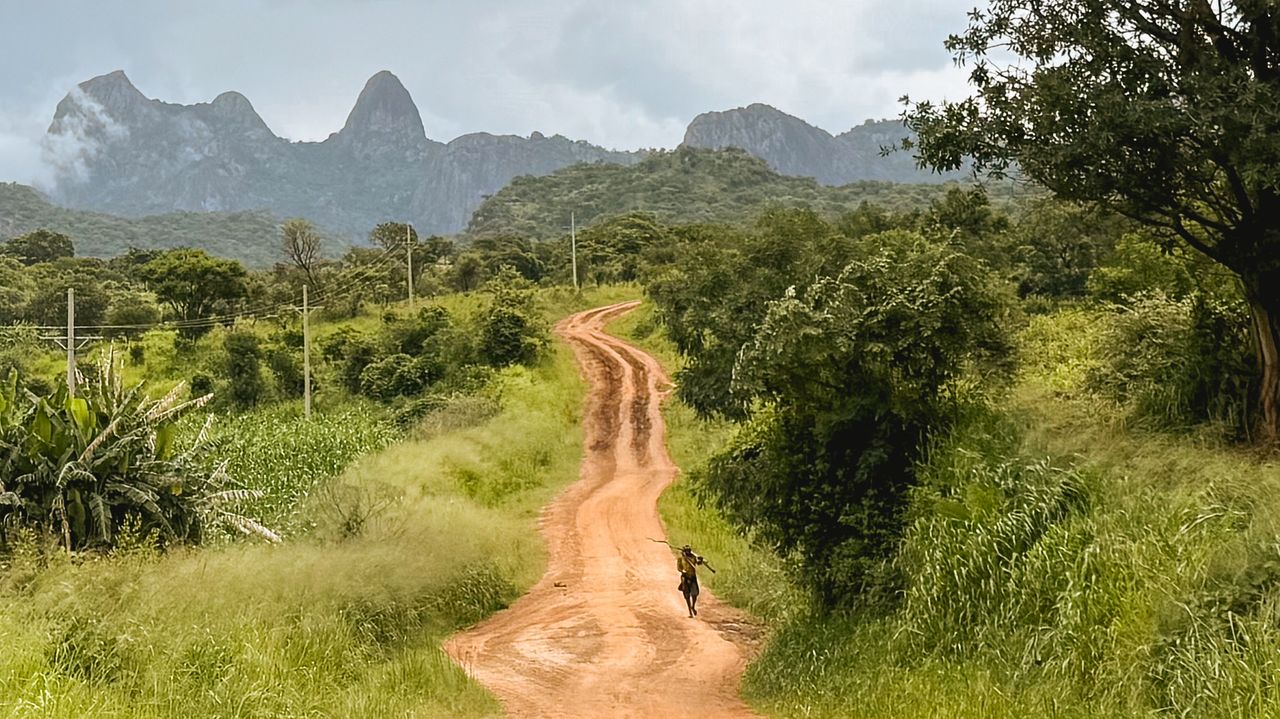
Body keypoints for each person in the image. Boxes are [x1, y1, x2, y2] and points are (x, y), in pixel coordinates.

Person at [676, 544, 706, 618]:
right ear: (684, 551)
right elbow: (679, 568)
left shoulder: (693, 557)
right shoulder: (680, 558)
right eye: (686, 551)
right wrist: (682, 571)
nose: (688, 552)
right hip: (685, 578)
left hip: (692, 577)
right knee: (687, 595)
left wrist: (701, 560)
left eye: (689, 551)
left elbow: (698, 563)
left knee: (694, 594)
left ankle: (693, 606)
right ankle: (690, 611)